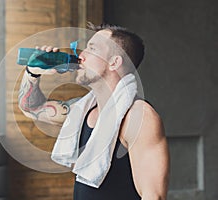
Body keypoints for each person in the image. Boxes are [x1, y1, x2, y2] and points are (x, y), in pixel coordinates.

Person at [18, 23, 170, 200]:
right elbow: (31, 108)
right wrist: (32, 73)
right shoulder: (81, 112)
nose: (81, 56)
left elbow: (154, 195)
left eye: (92, 49)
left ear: (114, 62)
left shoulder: (139, 117)